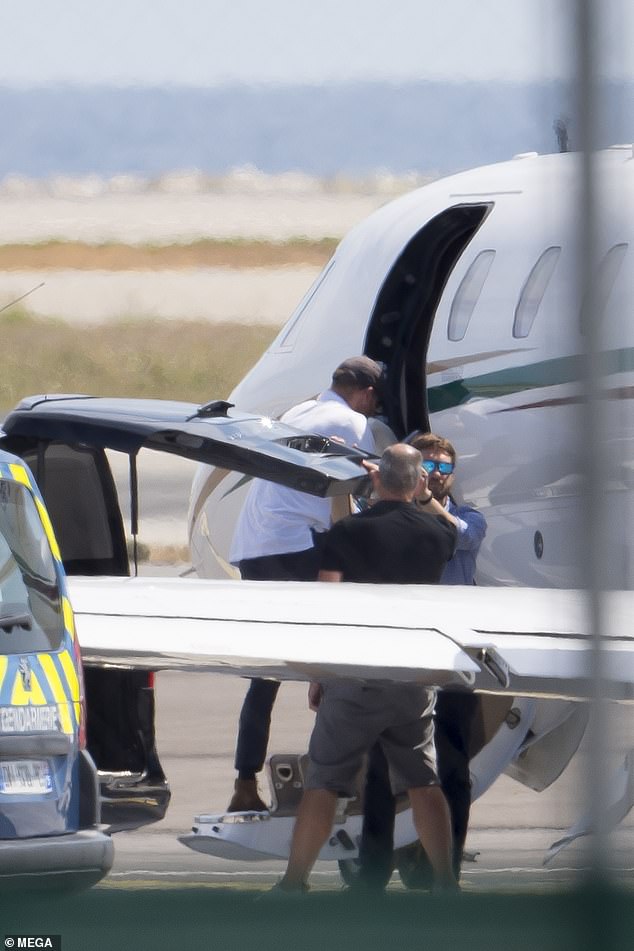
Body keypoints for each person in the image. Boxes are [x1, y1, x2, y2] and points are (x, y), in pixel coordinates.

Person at [266, 443, 458, 895]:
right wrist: (427, 497)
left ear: (377, 479)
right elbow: (454, 528)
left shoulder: (347, 532)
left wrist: (319, 674)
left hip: (356, 674)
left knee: (325, 781)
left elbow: (325, 605)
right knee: (422, 781)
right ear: (418, 481)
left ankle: (294, 882)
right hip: (413, 673)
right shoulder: (436, 535)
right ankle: (447, 883)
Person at [226, 356, 383, 812]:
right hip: (294, 542)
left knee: (266, 675)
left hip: (254, 544)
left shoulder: (300, 410)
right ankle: (333, 779)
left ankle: (243, 782)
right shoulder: (353, 421)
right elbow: (358, 491)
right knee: (336, 657)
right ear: (368, 395)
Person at [355, 432, 487, 890]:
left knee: (451, 767)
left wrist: (426, 499)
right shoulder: (380, 519)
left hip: (451, 656)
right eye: (425, 466)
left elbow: (458, 537)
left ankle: (443, 873)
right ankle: (370, 876)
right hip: (396, 655)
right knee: (379, 769)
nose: (434, 473)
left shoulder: (467, 516)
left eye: (444, 468)